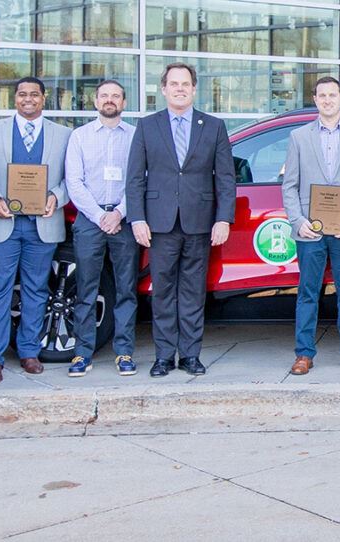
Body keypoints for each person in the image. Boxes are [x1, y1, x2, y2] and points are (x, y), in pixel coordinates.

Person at [128, 63, 238, 377]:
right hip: (159, 223)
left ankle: (190, 355)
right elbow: (134, 178)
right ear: (164, 89)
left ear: (193, 89)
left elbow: (226, 178)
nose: (180, 89)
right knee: (162, 292)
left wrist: (223, 219)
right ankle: (164, 356)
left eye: (185, 84)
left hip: (199, 222)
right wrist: (137, 218)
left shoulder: (213, 126)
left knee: (192, 291)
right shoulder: (147, 126)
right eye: (174, 84)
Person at [0, 77, 69, 382]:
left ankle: (29, 351)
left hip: (43, 225)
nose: (28, 99)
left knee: (36, 289)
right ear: (15, 98)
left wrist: (56, 197)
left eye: (34, 94)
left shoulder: (64, 134)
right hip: (1, 223)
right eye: (22, 94)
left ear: (43, 98)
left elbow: (73, 177)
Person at [279, 76, 340, 376]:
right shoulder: (298, 137)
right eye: (322, 95)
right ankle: (304, 354)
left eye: (333, 95)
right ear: (315, 99)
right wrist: (298, 221)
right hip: (310, 230)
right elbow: (289, 185)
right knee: (308, 292)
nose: (327, 100)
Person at [63, 80, 144, 377]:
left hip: (124, 219)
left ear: (124, 102)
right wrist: (100, 216)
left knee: (126, 289)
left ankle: (124, 352)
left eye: (116, 96)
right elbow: (74, 182)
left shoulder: (136, 136)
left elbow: (141, 179)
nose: (110, 100)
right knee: (86, 288)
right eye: (104, 96)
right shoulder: (79, 136)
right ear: (96, 101)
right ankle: (82, 352)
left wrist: (120, 212)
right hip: (90, 219)